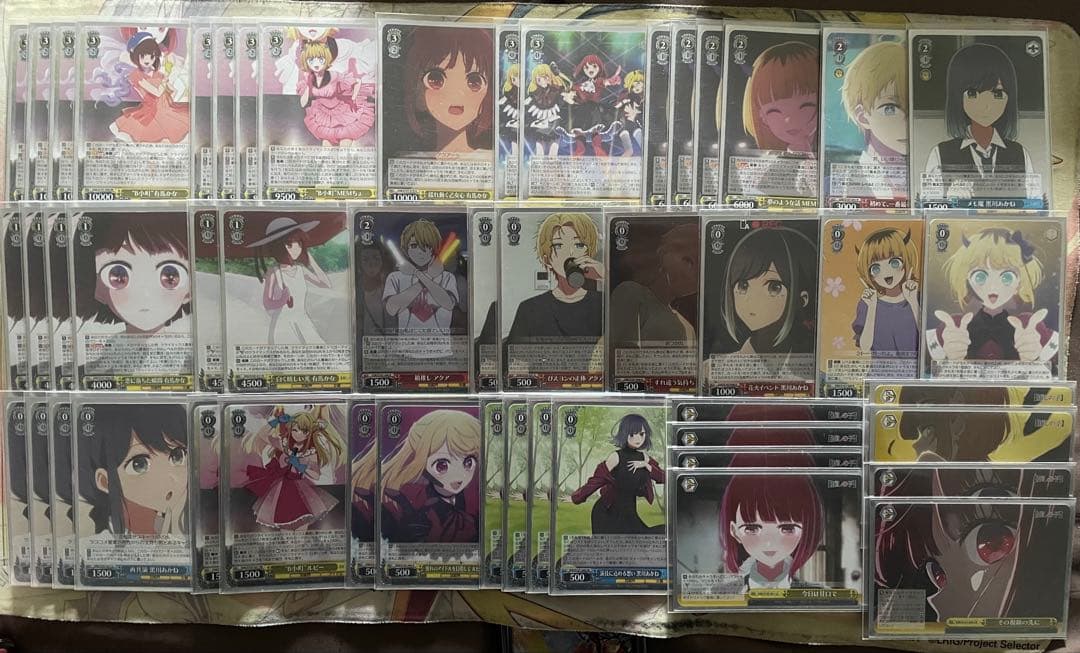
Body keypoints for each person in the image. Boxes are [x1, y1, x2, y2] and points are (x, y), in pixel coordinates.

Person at [922, 43, 1042, 203]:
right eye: (973, 93)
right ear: (958, 97)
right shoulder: (940, 154)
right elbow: (927, 206)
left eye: (997, 93)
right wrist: (951, 201)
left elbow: (1035, 204)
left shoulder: (1020, 153)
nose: (986, 105)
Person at [927, 228, 1057, 366]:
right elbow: (929, 369)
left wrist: (1034, 358)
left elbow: (1054, 368)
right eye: (980, 277)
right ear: (967, 280)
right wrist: (950, 358)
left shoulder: (1030, 326)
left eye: (1007, 277)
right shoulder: (953, 326)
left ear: (1020, 283)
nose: (993, 287)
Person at [77, 403, 189, 536]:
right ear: (105, 481)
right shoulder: (95, 539)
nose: (171, 478)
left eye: (177, 456)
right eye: (139, 465)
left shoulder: (176, 529)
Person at [380, 409, 481, 543]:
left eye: (468, 462)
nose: (459, 475)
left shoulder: (471, 498)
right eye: (442, 465)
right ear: (422, 462)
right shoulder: (415, 499)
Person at [241, 405, 345, 531]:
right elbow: (263, 435)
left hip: (300, 489)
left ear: (309, 433)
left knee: (301, 525)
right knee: (284, 523)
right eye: (295, 430)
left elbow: (316, 475)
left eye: (304, 431)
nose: (298, 434)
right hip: (280, 490)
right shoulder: (284, 445)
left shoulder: (310, 453)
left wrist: (300, 466)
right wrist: (276, 421)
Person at [403, 26, 493, 154]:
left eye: (474, 82)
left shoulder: (492, 159)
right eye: (435, 79)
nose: (456, 95)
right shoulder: (408, 159)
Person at [571, 413, 664, 535]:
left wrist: (646, 466)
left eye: (641, 434)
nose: (638, 439)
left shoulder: (644, 458)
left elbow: (663, 477)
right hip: (607, 511)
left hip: (629, 511)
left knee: (652, 536)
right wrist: (575, 498)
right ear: (624, 434)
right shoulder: (615, 457)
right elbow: (596, 481)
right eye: (632, 434)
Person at [838, 40, 908, 200]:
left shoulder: (924, 169)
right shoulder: (845, 181)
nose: (907, 122)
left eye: (912, 108)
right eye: (890, 108)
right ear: (862, 116)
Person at [248, 216, 332, 345]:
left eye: (299, 243)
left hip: (303, 321)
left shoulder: (300, 270)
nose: (296, 248)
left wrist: (311, 260)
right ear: (278, 247)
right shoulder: (274, 272)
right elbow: (267, 303)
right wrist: (281, 300)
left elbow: (325, 284)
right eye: (289, 244)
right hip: (283, 324)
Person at [852, 227, 920, 365]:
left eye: (894, 263)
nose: (886, 272)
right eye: (876, 268)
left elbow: (929, 341)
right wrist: (872, 307)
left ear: (907, 261)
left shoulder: (917, 298)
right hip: (881, 372)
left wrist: (913, 301)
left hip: (914, 373)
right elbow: (865, 347)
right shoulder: (867, 303)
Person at [109, 31, 190, 144]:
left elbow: (173, 91)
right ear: (136, 56)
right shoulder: (137, 75)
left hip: (165, 108)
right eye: (143, 56)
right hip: (152, 110)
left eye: (151, 56)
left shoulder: (158, 74)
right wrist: (164, 83)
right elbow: (156, 93)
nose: (147, 60)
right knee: (155, 136)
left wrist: (169, 95)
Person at [297, 39, 375, 146]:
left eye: (320, 59)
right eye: (311, 60)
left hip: (343, 112)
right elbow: (303, 103)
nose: (316, 64)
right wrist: (308, 87)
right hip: (324, 115)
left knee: (344, 145)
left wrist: (353, 98)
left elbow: (357, 82)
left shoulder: (334, 75)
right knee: (326, 147)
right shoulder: (309, 79)